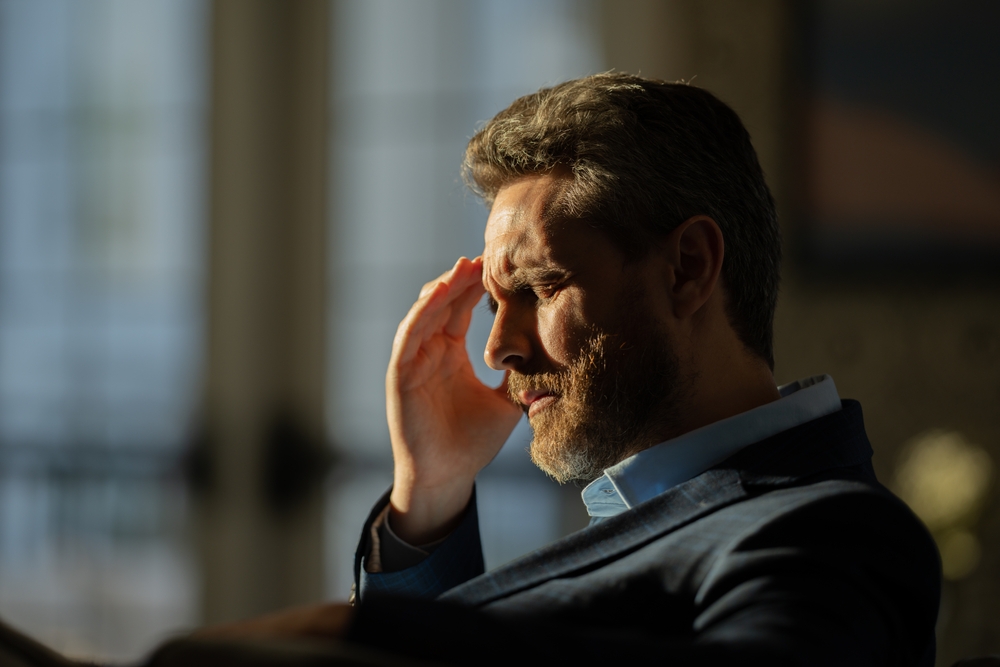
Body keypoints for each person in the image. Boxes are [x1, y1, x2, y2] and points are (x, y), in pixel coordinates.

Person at [189, 73, 942, 666]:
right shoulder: (666, 510)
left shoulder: (831, 530)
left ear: (688, 267)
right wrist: (435, 493)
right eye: (491, 304)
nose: (498, 348)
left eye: (542, 287)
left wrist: (358, 640)